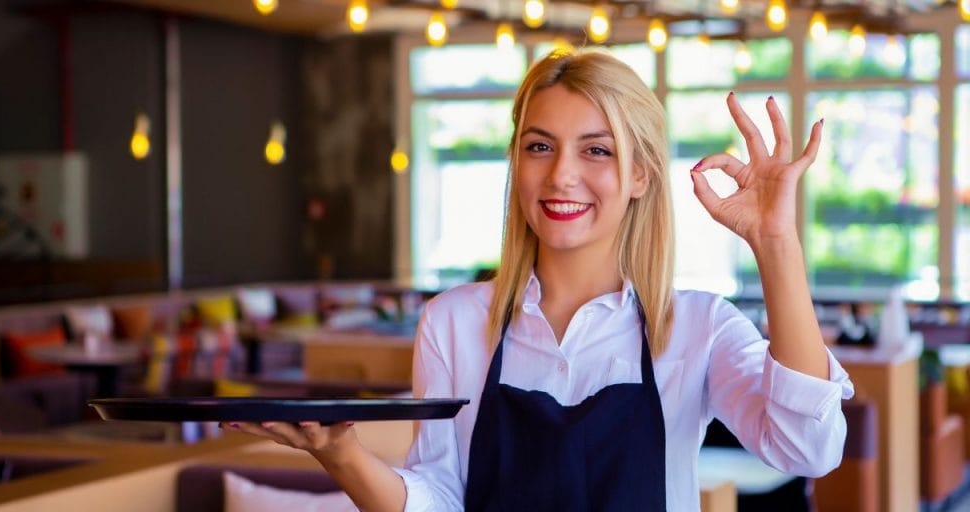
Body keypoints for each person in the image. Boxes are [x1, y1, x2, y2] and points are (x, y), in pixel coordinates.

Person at [226, 48, 854, 511]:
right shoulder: (453, 322)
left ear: (640, 176)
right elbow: (441, 497)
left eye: (597, 149)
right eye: (539, 146)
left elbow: (807, 449)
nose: (561, 176)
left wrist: (776, 245)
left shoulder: (698, 327)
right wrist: (340, 454)